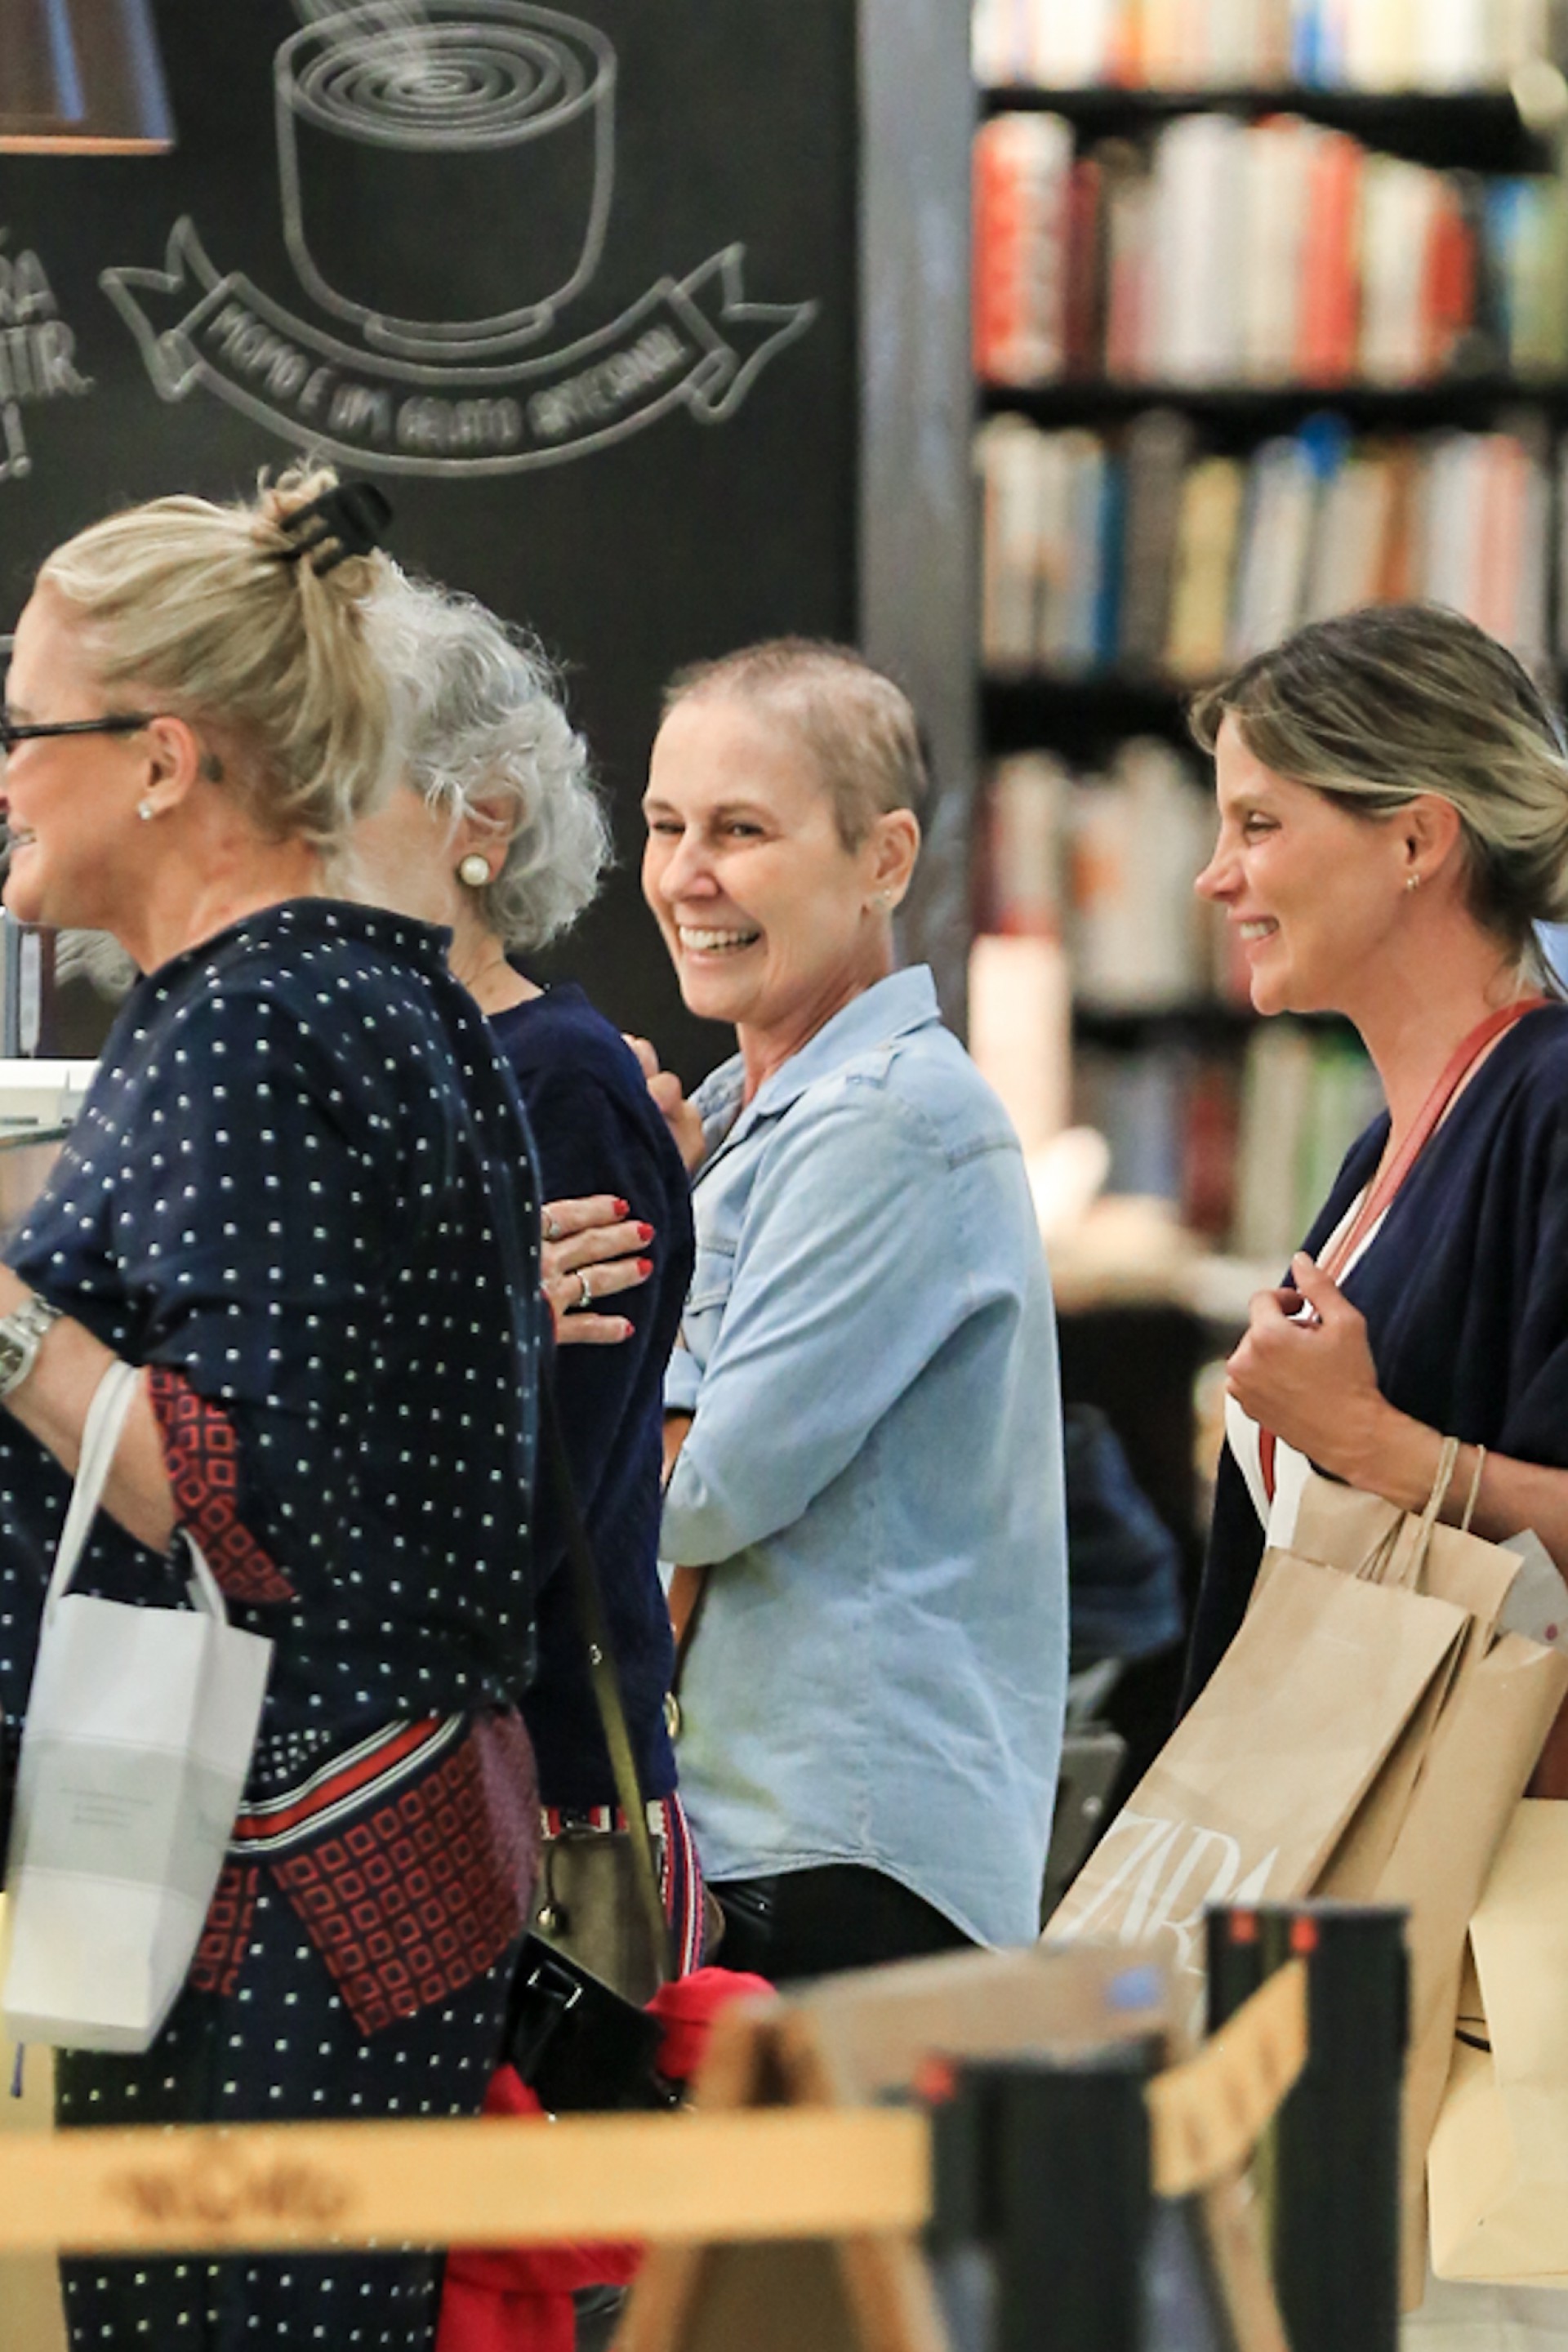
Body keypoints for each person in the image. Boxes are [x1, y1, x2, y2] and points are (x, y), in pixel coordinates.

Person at [0, 471, 546, 2351]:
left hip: (275, 1892)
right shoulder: (327, 997)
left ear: (162, 760)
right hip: (269, 1870)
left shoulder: (257, 1021)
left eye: (25, 728)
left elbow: (241, 1498)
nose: (2, 772)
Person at [641, 637, 1068, 1980]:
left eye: (741, 830)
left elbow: (697, 1492)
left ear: (883, 861)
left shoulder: (890, 1120)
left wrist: (598, 1328)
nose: (686, 877)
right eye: (665, 827)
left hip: (838, 1856)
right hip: (763, 1839)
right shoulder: (733, 1114)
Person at [355, 568, 704, 1975]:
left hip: (543, 1820)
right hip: (411, 1788)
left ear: (477, 824)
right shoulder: (381, 1072)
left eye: (333, 779)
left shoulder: (558, 1083)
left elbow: (518, 1509)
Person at [1185, 604, 1568, 1712]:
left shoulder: (1546, 1100)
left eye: (1258, 825)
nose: (1216, 876)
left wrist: (1375, 1443)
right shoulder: (1391, 1144)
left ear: (1416, 841)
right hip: (1346, 1840)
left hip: (1473, 1855)